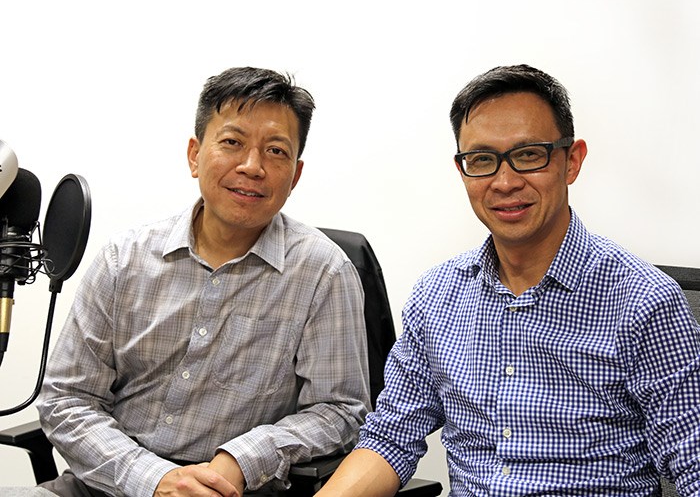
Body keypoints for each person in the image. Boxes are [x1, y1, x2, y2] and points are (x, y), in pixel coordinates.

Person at [315, 64, 700, 496]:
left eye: (529, 154)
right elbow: (389, 440)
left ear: (571, 161)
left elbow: (694, 463)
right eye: (482, 160)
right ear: (462, 171)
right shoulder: (436, 296)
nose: (504, 181)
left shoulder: (645, 301)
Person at [27, 67, 370, 496]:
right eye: (232, 142)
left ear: (295, 175)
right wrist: (153, 480)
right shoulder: (123, 259)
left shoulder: (324, 273)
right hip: (108, 483)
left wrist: (241, 460)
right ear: (194, 154)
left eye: (276, 151)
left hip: (232, 489)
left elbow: (339, 413)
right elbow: (67, 399)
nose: (252, 166)